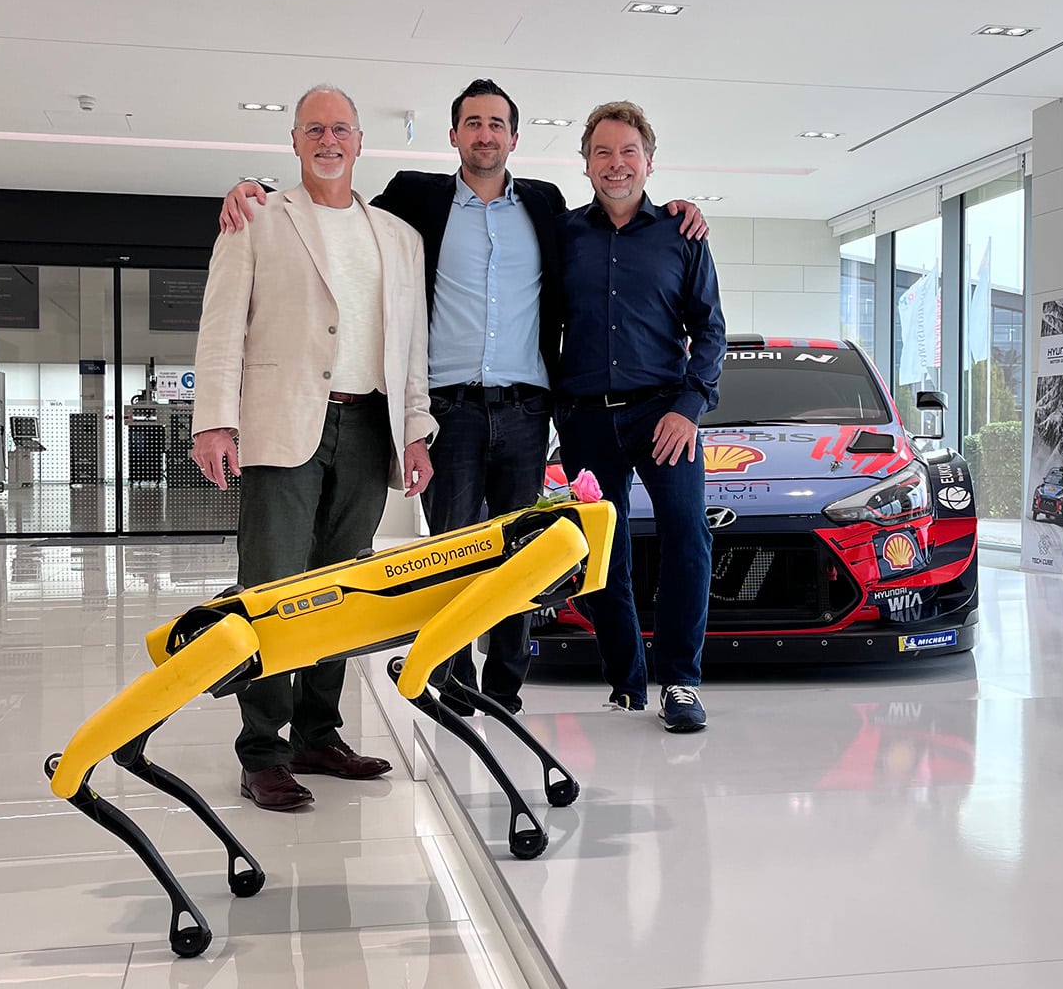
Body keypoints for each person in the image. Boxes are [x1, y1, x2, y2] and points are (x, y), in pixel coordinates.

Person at [219, 79, 709, 717]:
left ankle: (504, 688)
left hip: (530, 407)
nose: (484, 135)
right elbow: (332, 202)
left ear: (514, 138)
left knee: (520, 558)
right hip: (448, 406)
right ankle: (447, 682)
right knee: (449, 553)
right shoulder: (414, 199)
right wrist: (252, 187)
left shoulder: (545, 206)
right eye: (472, 123)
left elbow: (636, 254)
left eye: (496, 124)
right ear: (454, 135)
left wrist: (678, 209)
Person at [192, 84, 436, 810]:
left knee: (343, 587)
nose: (329, 141)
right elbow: (221, 325)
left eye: (341, 130)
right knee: (271, 588)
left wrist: (417, 429)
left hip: (368, 426)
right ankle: (261, 750)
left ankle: (319, 734)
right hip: (283, 422)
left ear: (361, 143)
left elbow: (411, 347)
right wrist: (213, 419)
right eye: (314, 130)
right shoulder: (258, 218)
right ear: (294, 143)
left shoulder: (399, 237)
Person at [552, 101, 726, 733]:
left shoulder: (682, 234)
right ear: (587, 164)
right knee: (603, 550)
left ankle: (679, 681)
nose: (616, 164)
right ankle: (626, 680)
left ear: (648, 161)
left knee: (687, 536)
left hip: (664, 416)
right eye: (603, 152)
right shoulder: (565, 234)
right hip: (588, 420)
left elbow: (709, 331)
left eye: (628, 152)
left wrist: (689, 406)